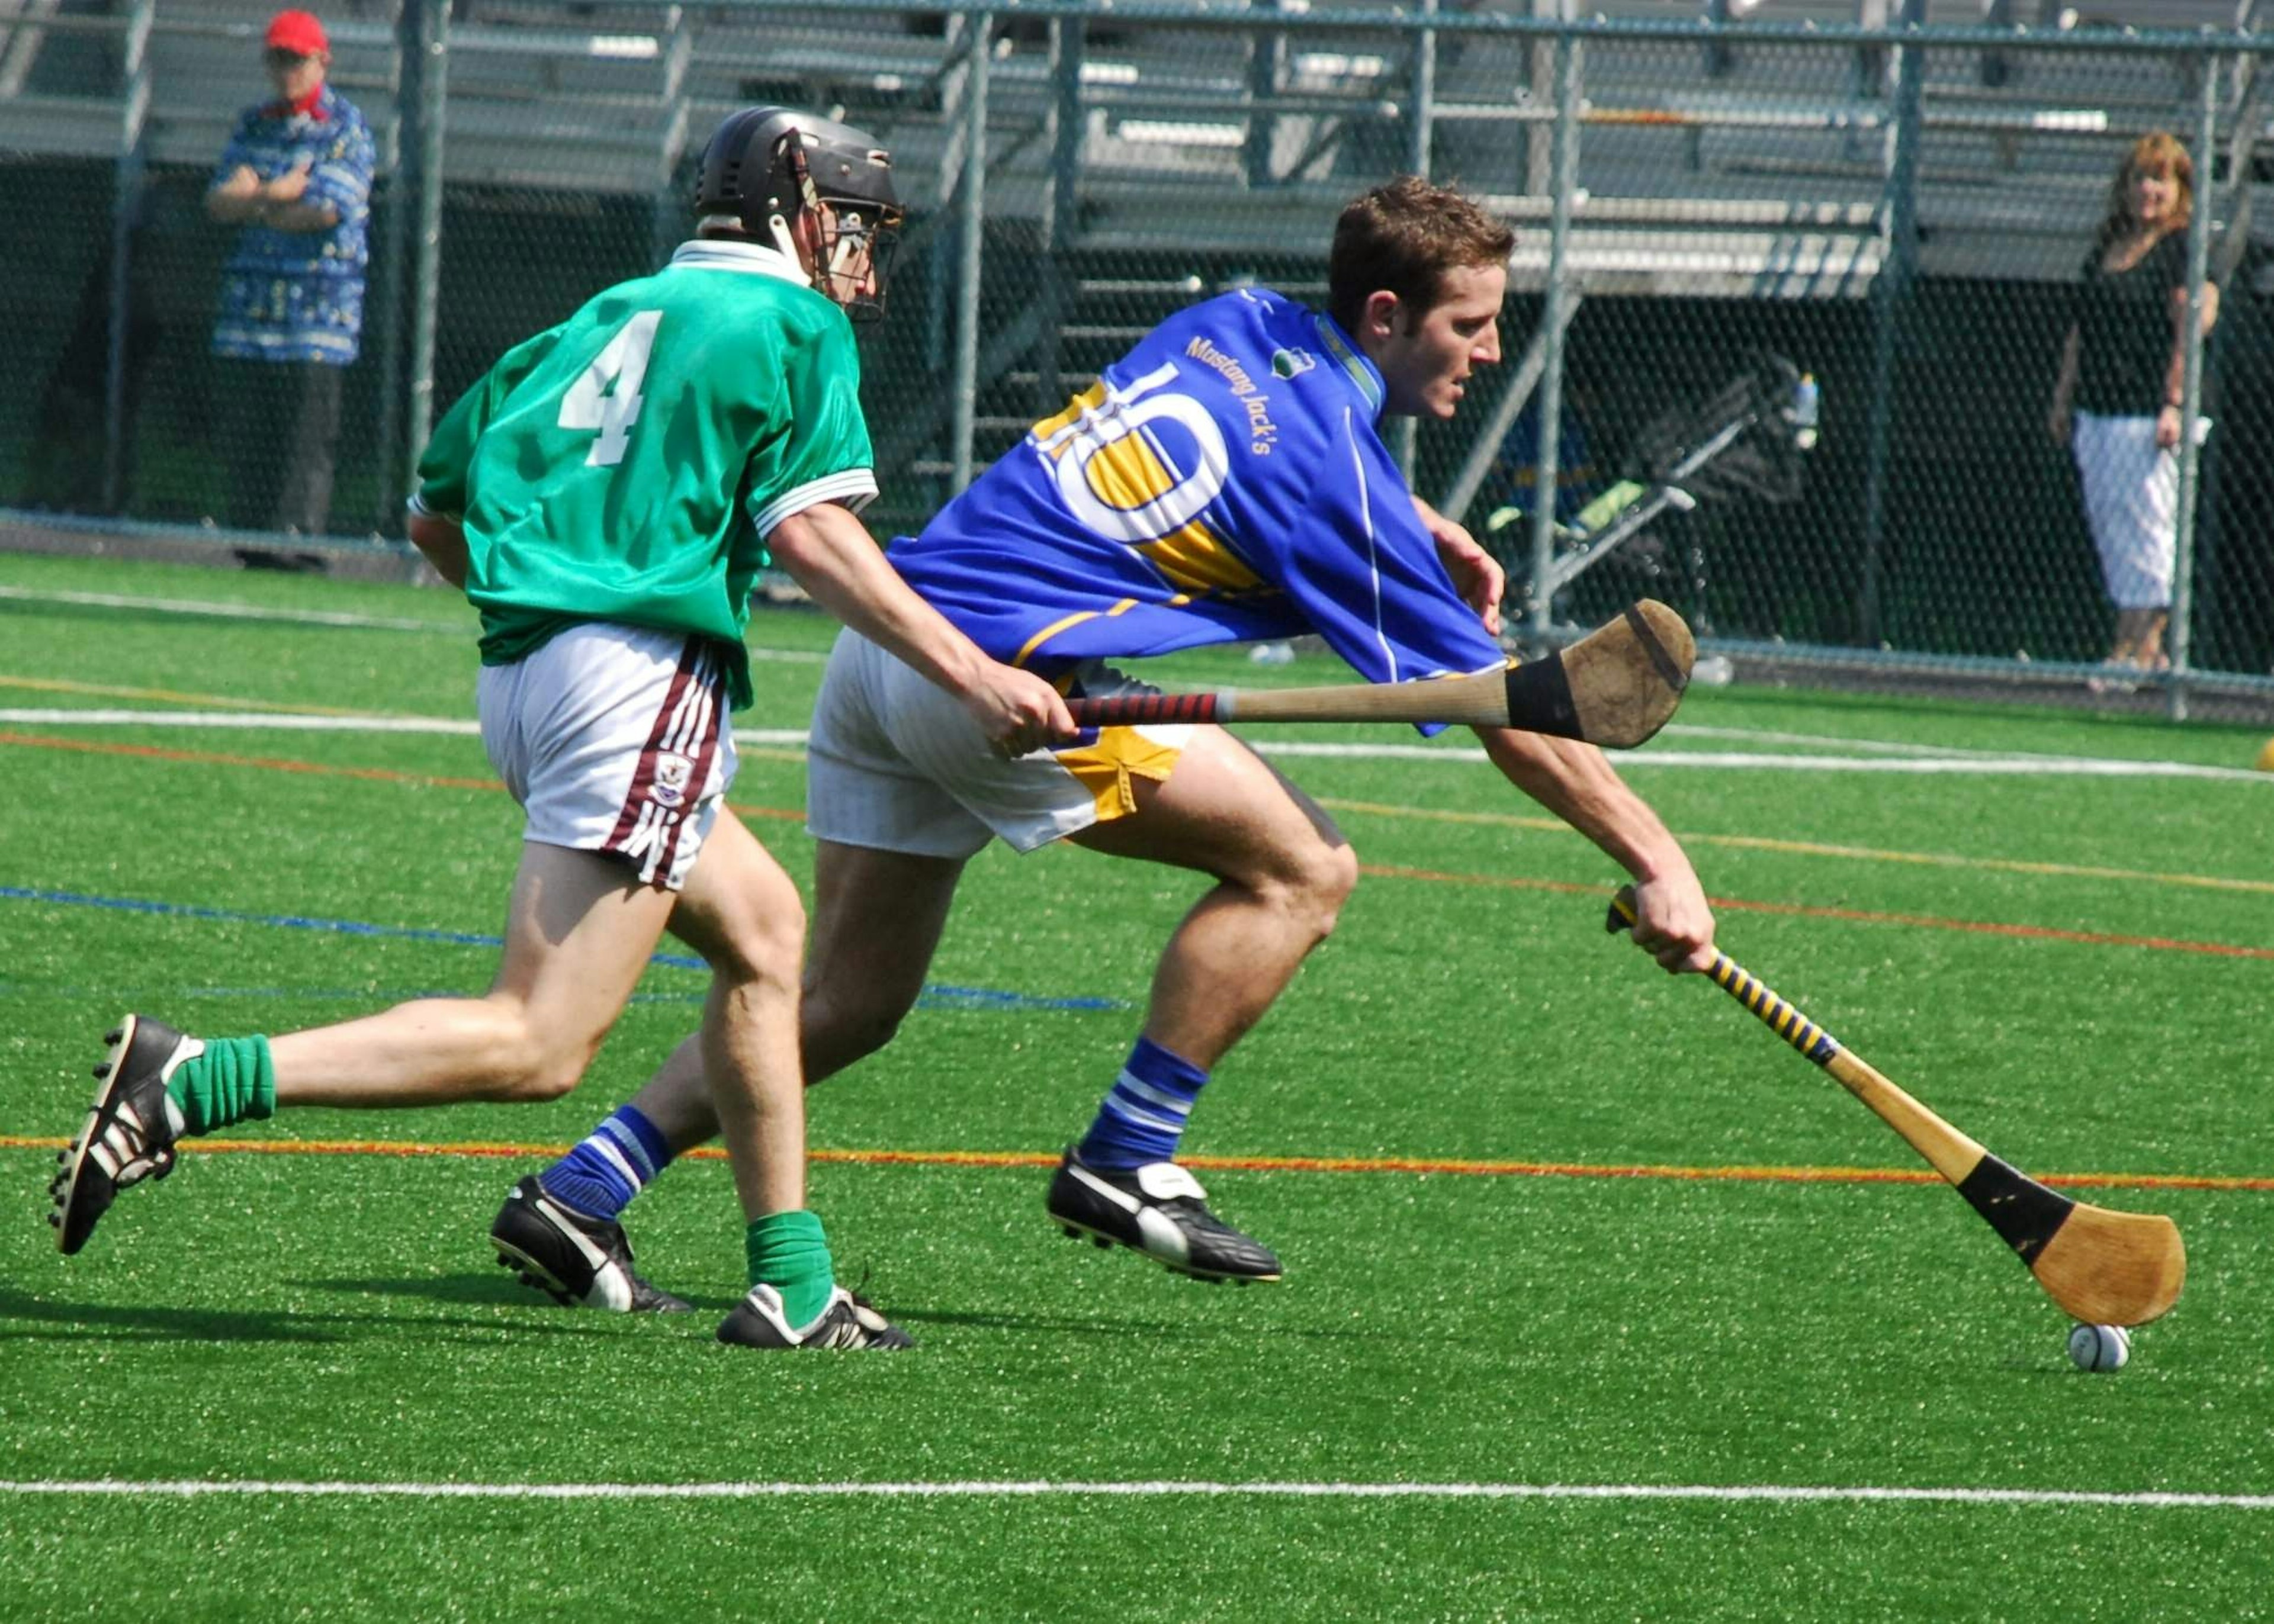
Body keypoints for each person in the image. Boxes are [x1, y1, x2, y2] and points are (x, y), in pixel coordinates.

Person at [497, 174, 1718, 1305]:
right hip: (1002, 687)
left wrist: (1415, 517)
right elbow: (1504, 712)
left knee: (847, 1000)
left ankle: (583, 1192)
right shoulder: (1331, 480)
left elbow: (1253, 448)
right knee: (1306, 868)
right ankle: (1128, 1153)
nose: (1490, 350)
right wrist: (1661, 863)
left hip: (888, 652)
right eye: (1471, 326)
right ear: (1389, 315)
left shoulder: (1239, 321)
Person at [46, 107, 1075, 1353]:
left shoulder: (593, 316)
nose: (857, 256)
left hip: (528, 681)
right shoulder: (792, 323)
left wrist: (560, 615)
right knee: (539, 1041)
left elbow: (437, 511)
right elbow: (811, 536)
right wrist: (974, 677)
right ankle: (191, 1078)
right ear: (790, 209)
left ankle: (792, 1289)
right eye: (849, 225)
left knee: (764, 936)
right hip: (634, 686)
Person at [2047, 130, 2221, 679]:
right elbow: (2080, 329)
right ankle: (2135, 642)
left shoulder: (2181, 248)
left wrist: (2174, 401)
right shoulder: (2109, 247)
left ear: (2179, 190)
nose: (2149, 190)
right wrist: (2063, 396)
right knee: (2111, 525)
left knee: (2149, 527)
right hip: (2098, 409)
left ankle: (2140, 646)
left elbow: (2189, 326)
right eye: (2141, 178)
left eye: (2160, 180)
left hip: (2147, 414)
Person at [204, 9, 375, 544]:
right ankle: (250, 536)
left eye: (296, 60)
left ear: (322, 61)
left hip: (315, 311)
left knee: (307, 435)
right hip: (254, 306)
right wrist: (274, 195)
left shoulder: (344, 126)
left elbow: (327, 210)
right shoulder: (255, 122)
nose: (286, 71)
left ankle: (298, 540)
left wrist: (253, 200)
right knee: (253, 428)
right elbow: (216, 201)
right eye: (278, 58)